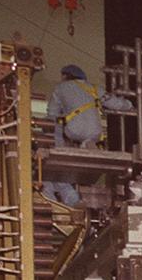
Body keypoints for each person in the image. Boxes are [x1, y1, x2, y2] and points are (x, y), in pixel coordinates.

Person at [42, 64, 133, 206]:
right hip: (95, 132)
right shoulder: (95, 88)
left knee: (56, 124)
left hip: (74, 130)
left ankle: (59, 148)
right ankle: (87, 145)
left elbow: (52, 114)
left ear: (66, 76)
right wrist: (129, 105)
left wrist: (50, 136)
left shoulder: (61, 88)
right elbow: (115, 103)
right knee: (88, 136)